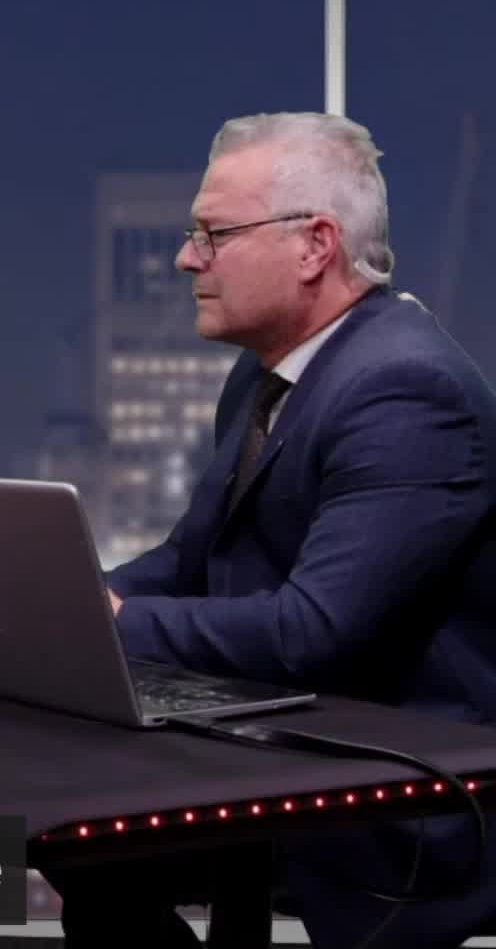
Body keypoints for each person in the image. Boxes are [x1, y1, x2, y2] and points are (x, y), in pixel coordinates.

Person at [61, 113, 496, 947]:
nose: (187, 258)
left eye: (213, 235)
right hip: (282, 743)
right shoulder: (266, 379)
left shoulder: (407, 390)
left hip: (401, 799)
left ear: (314, 245)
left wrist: (111, 626)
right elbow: (190, 558)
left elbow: (312, 632)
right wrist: (71, 600)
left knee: (80, 819)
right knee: (66, 818)